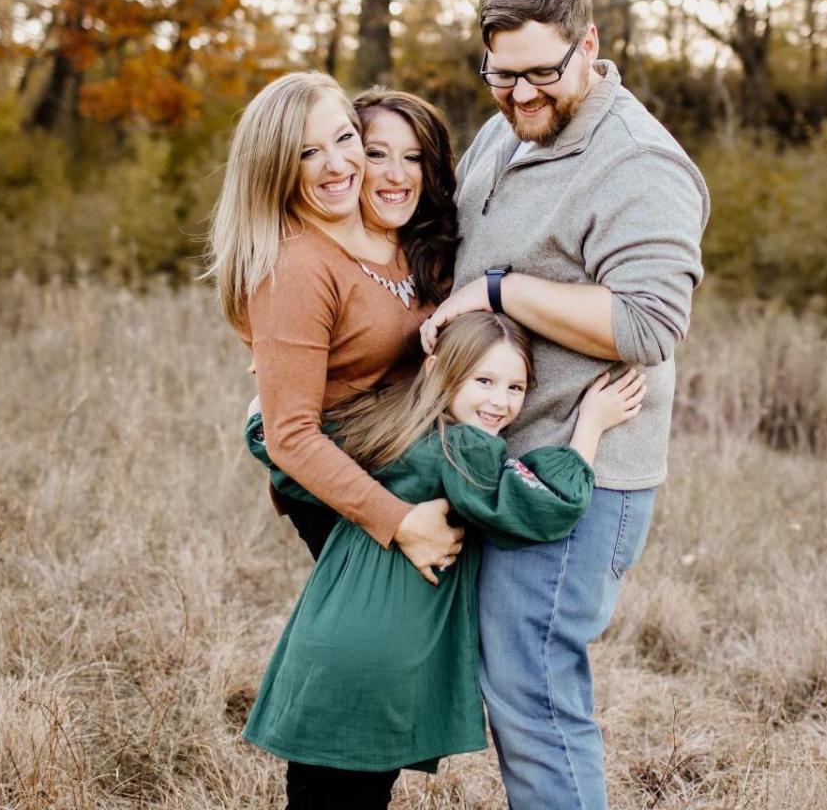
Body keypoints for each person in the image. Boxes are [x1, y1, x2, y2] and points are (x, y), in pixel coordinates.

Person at [421, 0, 711, 810]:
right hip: (501, 462)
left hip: (576, 478)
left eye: (542, 72)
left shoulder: (638, 165)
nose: (519, 95)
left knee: (537, 702)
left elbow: (652, 326)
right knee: (516, 696)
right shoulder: (508, 126)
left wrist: (501, 290)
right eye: (500, 74)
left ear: (590, 45)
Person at [242, 312, 647, 809]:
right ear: (435, 369)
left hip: (327, 643)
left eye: (516, 387)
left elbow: (289, 456)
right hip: (383, 658)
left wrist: (274, 390)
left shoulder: (390, 426)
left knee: (316, 793)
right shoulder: (464, 446)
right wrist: (589, 430)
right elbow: (535, 506)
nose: (500, 401)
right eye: (485, 380)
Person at [207, 73, 463, 806]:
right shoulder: (295, 265)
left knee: (378, 685)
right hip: (352, 490)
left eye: (344, 139)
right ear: (275, 168)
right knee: (357, 681)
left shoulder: (382, 236)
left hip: (386, 470)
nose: (338, 164)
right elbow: (288, 435)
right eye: (306, 152)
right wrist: (400, 521)